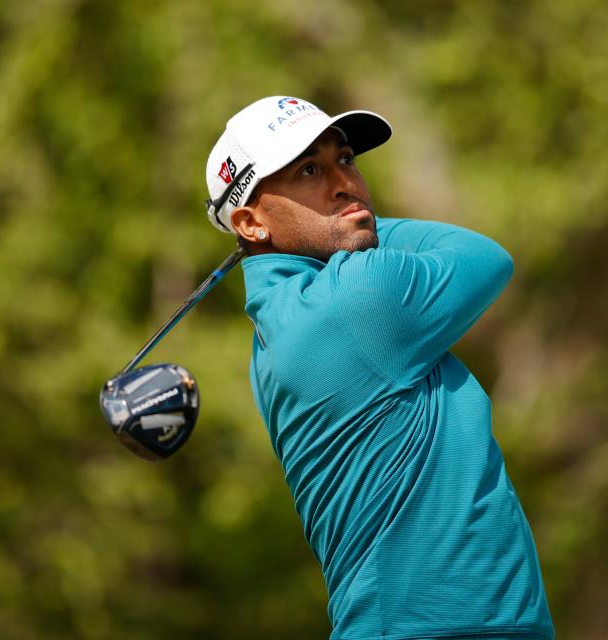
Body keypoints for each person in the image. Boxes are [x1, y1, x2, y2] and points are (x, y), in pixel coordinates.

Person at [204, 96, 554, 640]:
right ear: (250, 222)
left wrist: (336, 223)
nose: (345, 182)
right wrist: (354, 223)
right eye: (310, 171)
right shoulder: (359, 298)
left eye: (346, 160)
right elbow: (485, 255)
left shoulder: (275, 329)